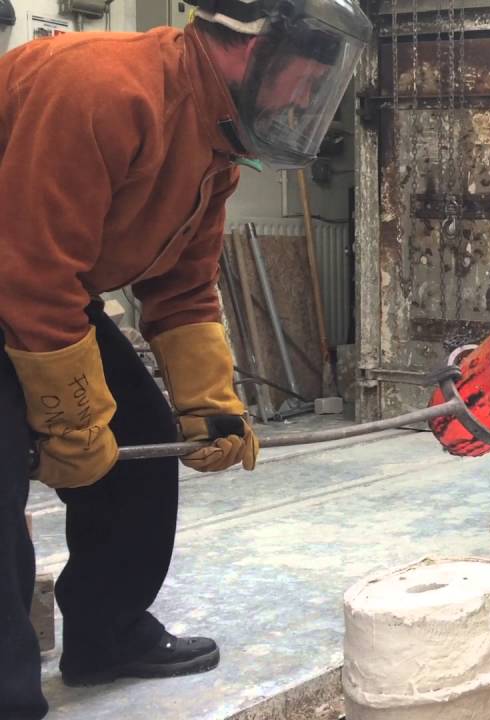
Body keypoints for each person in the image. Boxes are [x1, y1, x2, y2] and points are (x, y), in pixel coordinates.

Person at [0, 0, 370, 715]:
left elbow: (181, 285)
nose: (305, 96)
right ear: (252, 45)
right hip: (20, 273)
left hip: (38, 285)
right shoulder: (102, 88)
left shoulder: (215, 143)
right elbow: (30, 270)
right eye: (306, 74)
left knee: (140, 436)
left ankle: (105, 635)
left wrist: (209, 403)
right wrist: (69, 420)